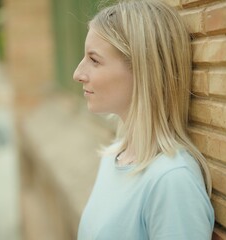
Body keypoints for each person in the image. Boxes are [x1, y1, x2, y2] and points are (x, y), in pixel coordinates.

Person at [73, 0, 214, 239]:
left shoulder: (172, 181)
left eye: (94, 60)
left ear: (143, 69)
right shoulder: (112, 156)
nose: (78, 74)